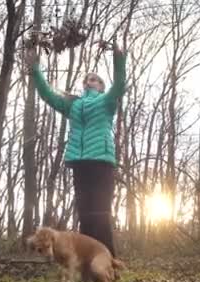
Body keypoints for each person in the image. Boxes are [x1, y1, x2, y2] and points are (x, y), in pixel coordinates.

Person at [26, 41, 126, 257]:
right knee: (85, 215)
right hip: (79, 163)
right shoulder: (74, 105)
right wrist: (35, 69)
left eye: (94, 79)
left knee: (100, 213)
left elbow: (119, 85)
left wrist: (119, 58)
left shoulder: (106, 102)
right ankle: (87, 262)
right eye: (86, 79)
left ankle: (109, 262)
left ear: (100, 86)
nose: (88, 81)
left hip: (101, 161)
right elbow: (48, 95)